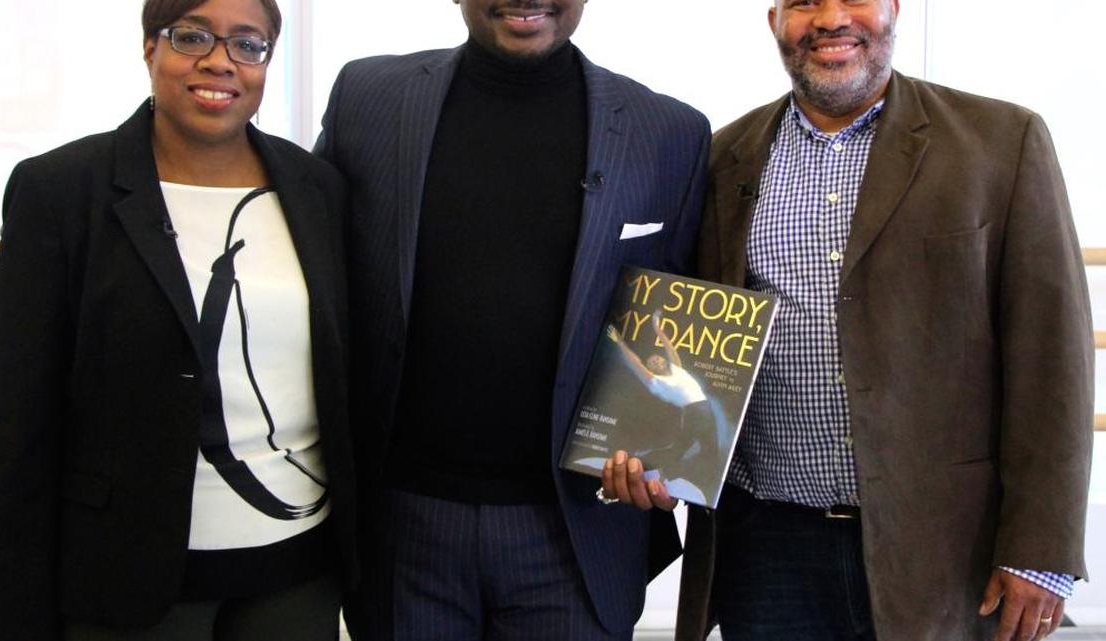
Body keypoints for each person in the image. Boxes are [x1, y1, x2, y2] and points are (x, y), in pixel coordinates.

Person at [604, 1, 1094, 640]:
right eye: (805, 2)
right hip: (766, 548)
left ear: (893, 9)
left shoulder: (1001, 143)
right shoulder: (722, 157)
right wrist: (650, 452)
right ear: (775, 19)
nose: (832, 18)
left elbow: (1053, 361)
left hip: (945, 553)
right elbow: (688, 338)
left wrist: (1041, 547)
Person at [313, 0, 709, 638]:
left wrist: (672, 456)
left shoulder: (670, 131)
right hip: (402, 528)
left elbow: (686, 318)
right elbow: (311, 264)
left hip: (578, 530)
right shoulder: (367, 97)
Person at [0, 0, 357, 639]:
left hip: (298, 568)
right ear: (149, 46)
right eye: (192, 37)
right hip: (127, 573)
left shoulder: (317, 187)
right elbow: (24, 426)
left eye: (249, 44)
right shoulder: (61, 190)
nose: (220, 61)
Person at [605, 312, 723, 499]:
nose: (657, 360)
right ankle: (652, 466)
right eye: (652, 362)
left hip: (702, 410)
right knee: (699, 449)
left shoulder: (677, 368)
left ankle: (657, 468)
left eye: (658, 358)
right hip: (696, 412)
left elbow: (668, 346)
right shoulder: (655, 382)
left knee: (687, 448)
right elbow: (635, 362)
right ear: (650, 368)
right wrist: (620, 341)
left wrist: (656, 326)